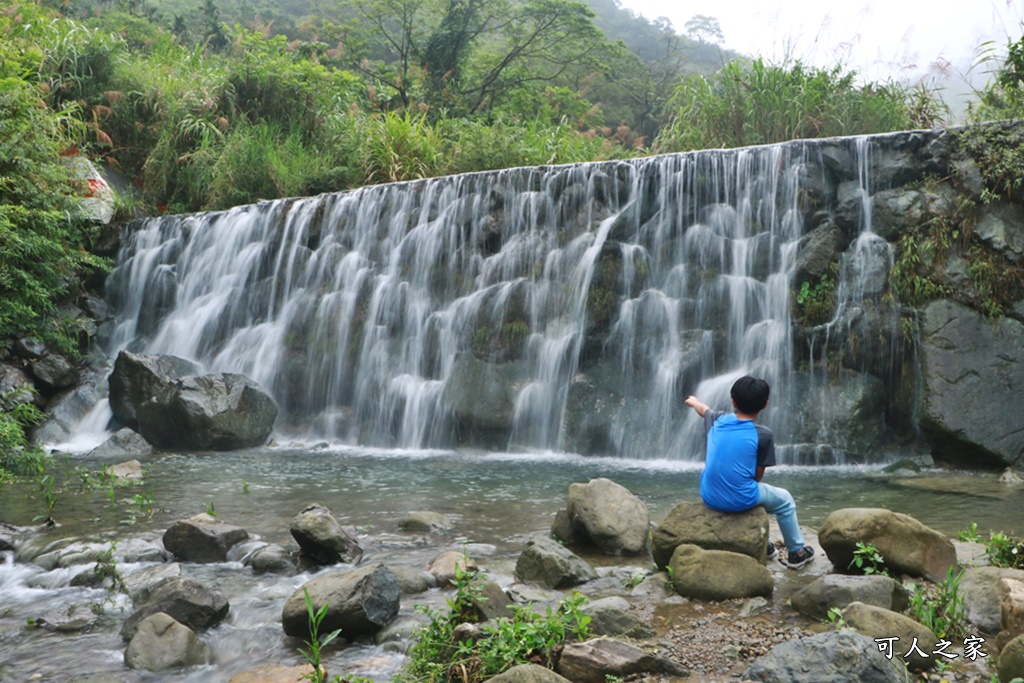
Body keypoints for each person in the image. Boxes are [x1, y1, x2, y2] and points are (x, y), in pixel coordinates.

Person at [684, 375, 815, 569]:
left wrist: (694, 401)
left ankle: (766, 547)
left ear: (733, 401)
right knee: (785, 500)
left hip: (709, 495)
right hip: (740, 498)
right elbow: (757, 476)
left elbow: (704, 410)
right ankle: (797, 553)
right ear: (765, 405)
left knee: (738, 483)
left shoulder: (717, 420)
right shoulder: (763, 435)